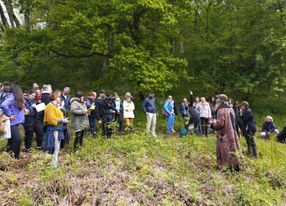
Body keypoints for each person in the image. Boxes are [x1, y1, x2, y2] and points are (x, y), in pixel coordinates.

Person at [211, 94, 241, 171]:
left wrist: (213, 124)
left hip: (224, 134)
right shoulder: (231, 109)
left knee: (224, 151)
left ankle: (226, 168)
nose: (216, 100)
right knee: (233, 149)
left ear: (222, 100)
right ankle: (235, 166)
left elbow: (220, 123)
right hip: (232, 133)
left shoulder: (221, 110)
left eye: (218, 99)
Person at [43, 91, 69, 168]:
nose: (60, 98)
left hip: (58, 128)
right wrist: (62, 120)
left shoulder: (55, 106)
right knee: (54, 146)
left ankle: (54, 163)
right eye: (59, 97)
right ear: (55, 97)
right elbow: (51, 119)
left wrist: (63, 119)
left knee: (57, 146)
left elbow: (56, 117)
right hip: (53, 129)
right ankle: (53, 165)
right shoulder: (50, 106)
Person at [1, 85, 25, 159]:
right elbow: (3, 105)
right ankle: (16, 157)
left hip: (15, 123)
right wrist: (10, 114)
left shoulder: (17, 99)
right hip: (12, 123)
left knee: (11, 141)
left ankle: (8, 157)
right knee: (18, 140)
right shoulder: (12, 97)